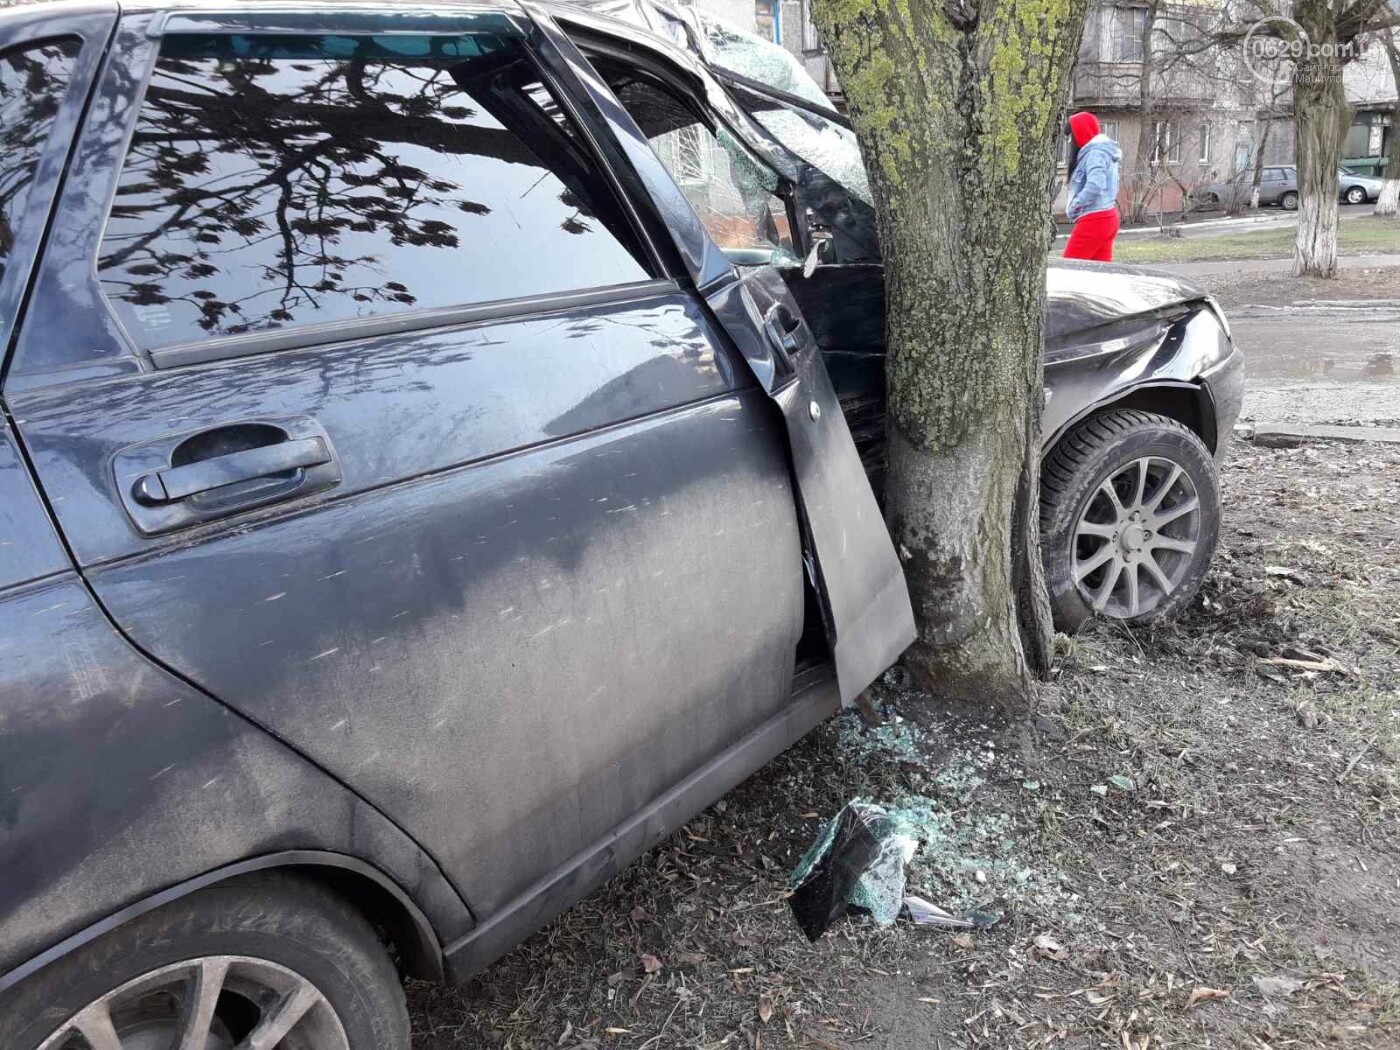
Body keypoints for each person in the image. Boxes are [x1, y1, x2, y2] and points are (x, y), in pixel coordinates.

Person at [1062, 111, 1122, 262]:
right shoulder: (1104, 151)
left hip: (1094, 220)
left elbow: (1095, 185)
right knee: (1098, 275)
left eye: (1072, 137)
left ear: (1080, 133)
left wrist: (1075, 205)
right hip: (1107, 218)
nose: (1071, 142)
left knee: (1069, 270)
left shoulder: (1095, 153)